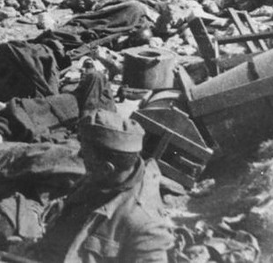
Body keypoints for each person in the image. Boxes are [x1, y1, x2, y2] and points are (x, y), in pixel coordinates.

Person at [22, 110, 174, 262]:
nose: (80, 156)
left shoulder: (146, 225)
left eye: (85, 154)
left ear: (107, 168)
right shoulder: (103, 179)